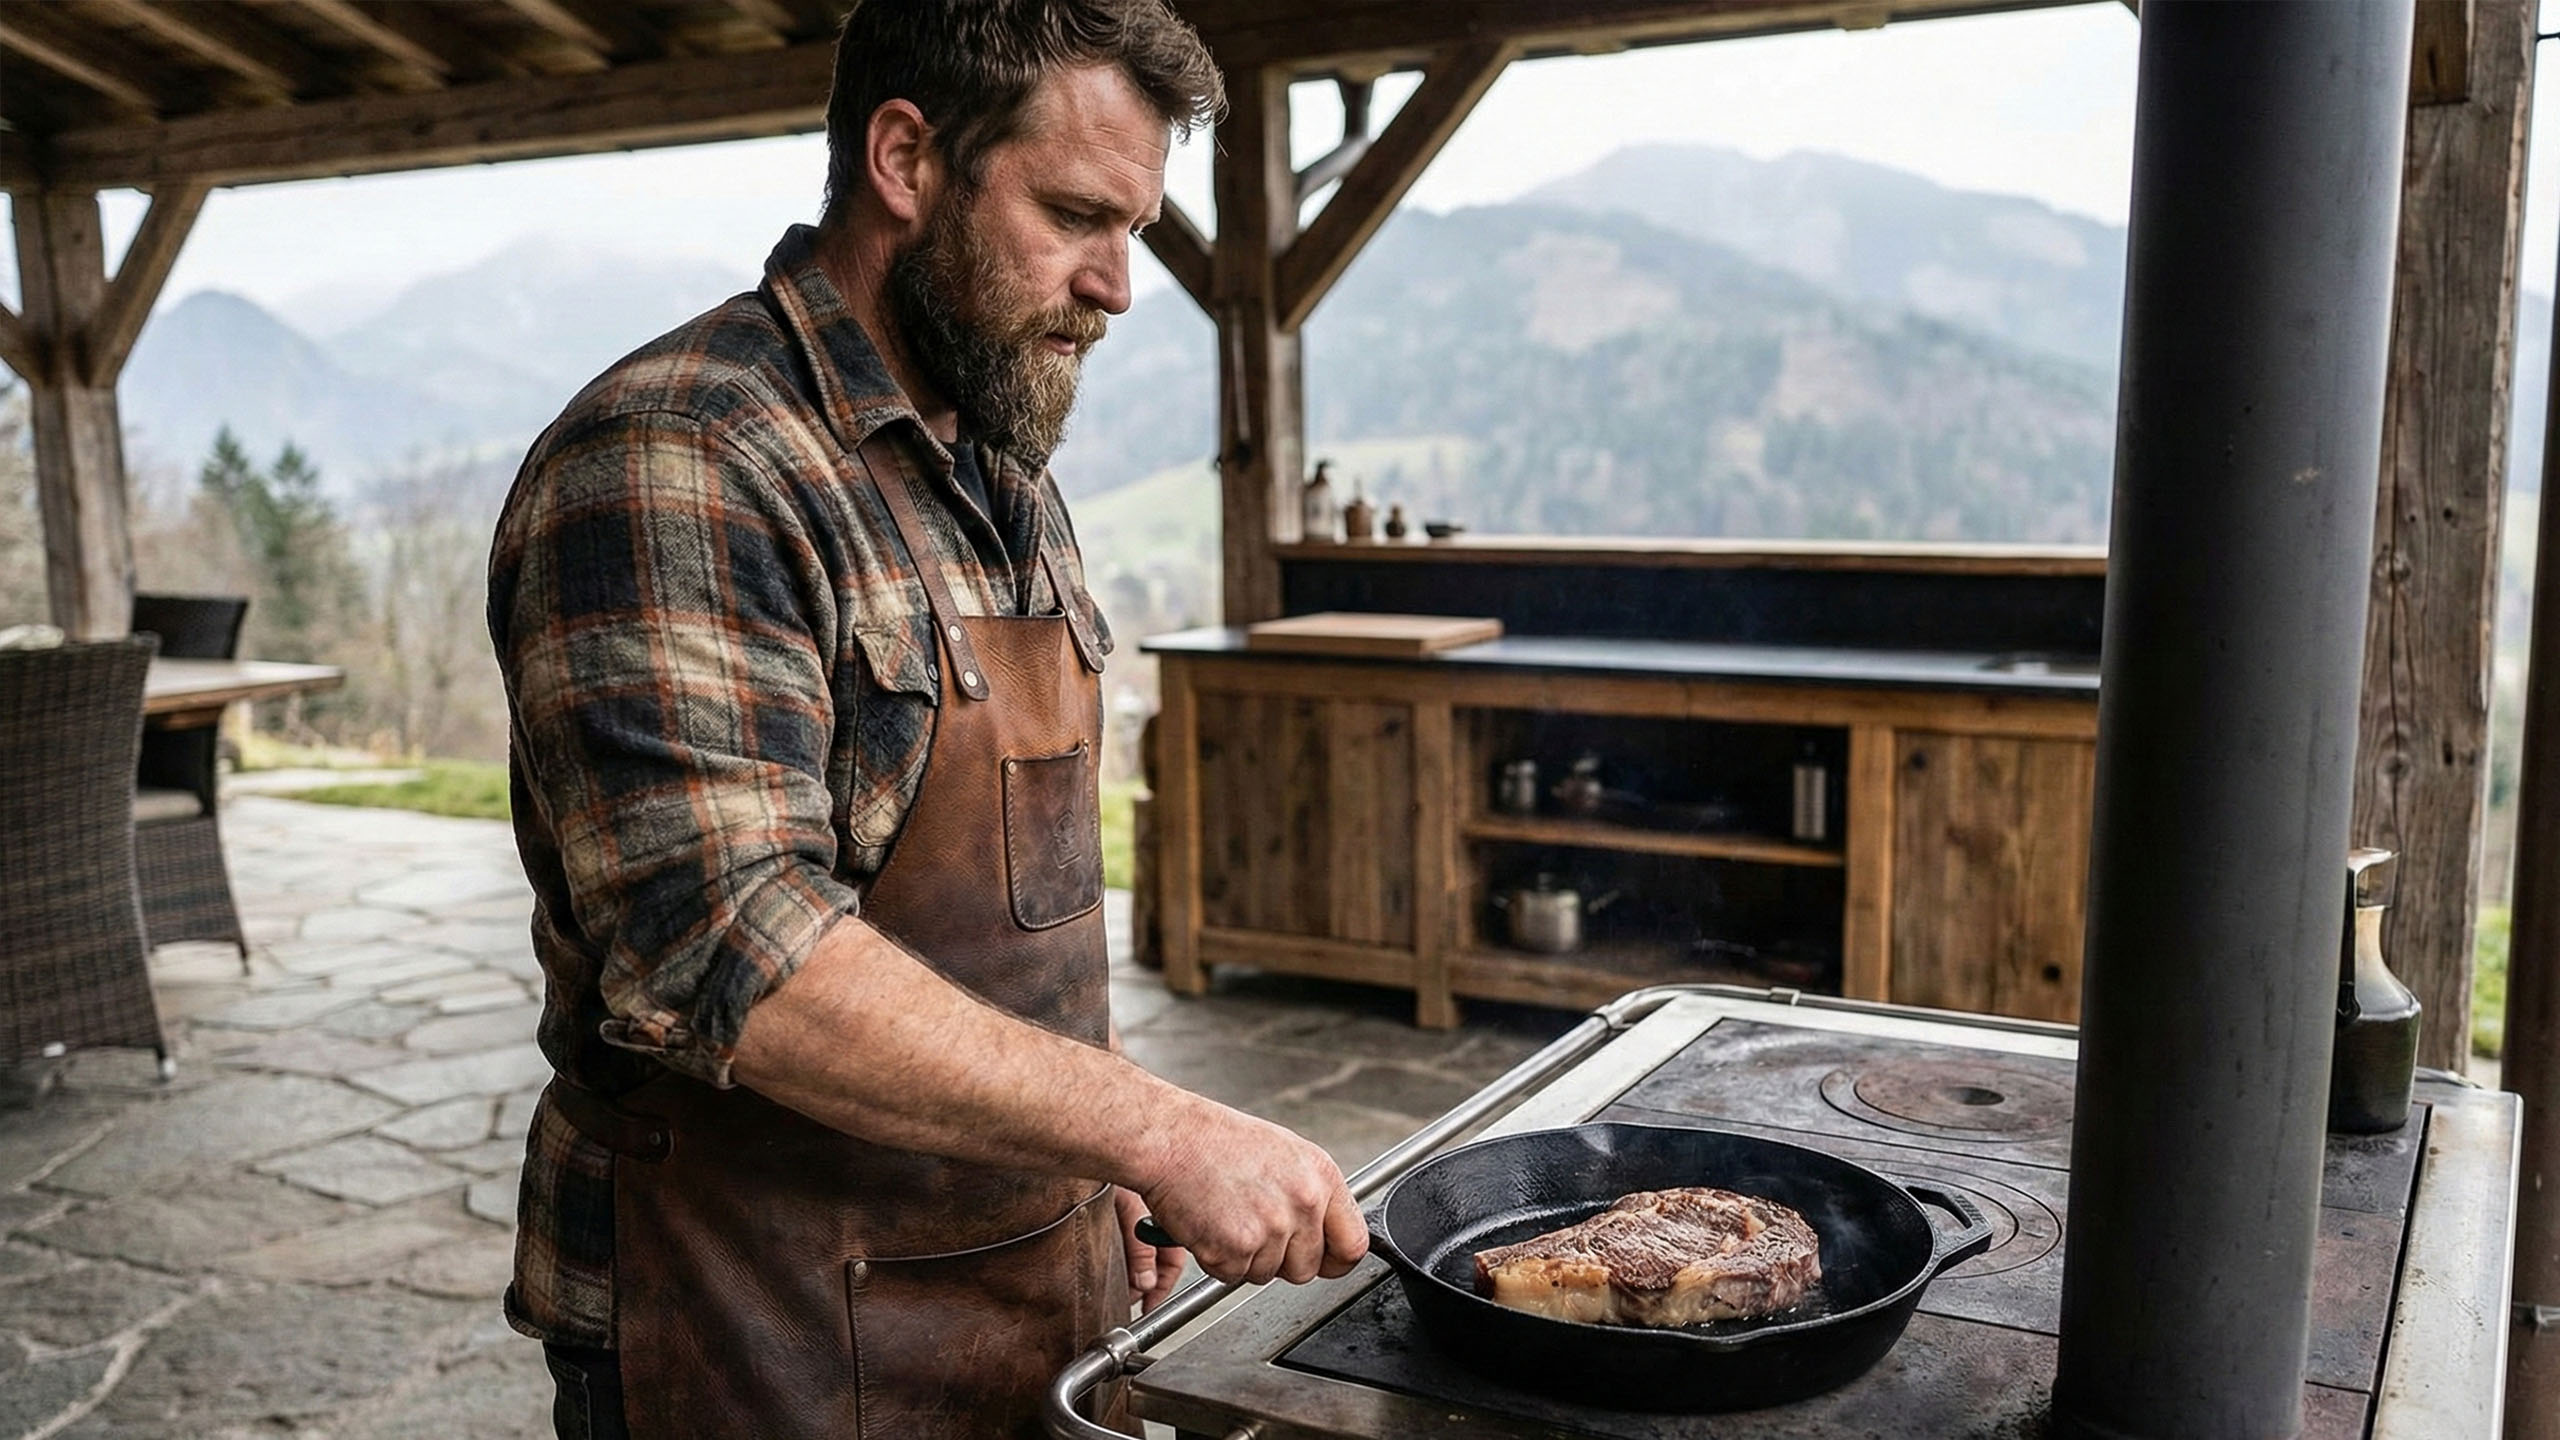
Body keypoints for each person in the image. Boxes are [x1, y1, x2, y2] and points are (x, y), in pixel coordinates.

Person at [485, 5, 1366, 1436]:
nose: (1120, 284)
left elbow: (1003, 935)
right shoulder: (680, 459)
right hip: (749, 1324)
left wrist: (1106, 1151)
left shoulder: (999, 458)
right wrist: (1161, 1128)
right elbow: (734, 956)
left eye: (1133, 226)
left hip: (1025, 1293)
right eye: (1077, 214)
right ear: (906, 157)